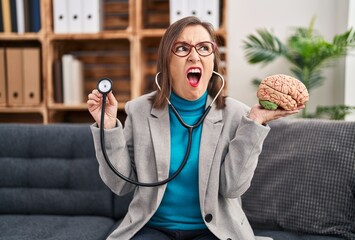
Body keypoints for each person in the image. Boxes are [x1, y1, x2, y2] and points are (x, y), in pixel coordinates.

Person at [87, 16, 303, 240]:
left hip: (213, 230)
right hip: (153, 227)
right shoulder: (139, 110)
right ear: (166, 62)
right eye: (182, 48)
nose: (194, 56)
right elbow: (121, 185)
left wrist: (255, 123)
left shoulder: (238, 114)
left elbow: (232, 188)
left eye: (204, 48)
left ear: (213, 63)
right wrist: (108, 126)